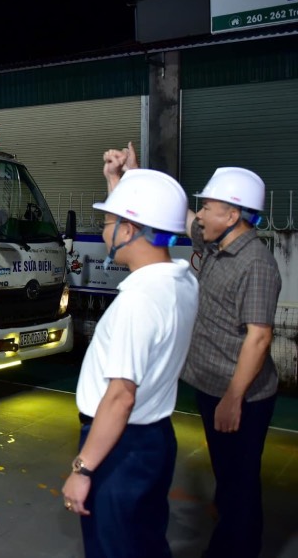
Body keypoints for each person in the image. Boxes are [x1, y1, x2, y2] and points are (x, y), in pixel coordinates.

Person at [61, 162, 198, 558]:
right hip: (153, 439)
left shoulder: (139, 301)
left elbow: (120, 396)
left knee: (115, 547)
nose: (104, 230)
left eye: (108, 221)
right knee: (145, 543)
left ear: (129, 230)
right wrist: (124, 183)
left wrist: (82, 469)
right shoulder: (181, 279)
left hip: (118, 446)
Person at [181, 166, 281, 558]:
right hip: (211, 388)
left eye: (208, 206)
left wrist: (233, 398)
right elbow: (184, 219)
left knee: (239, 489)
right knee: (227, 479)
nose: (200, 214)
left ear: (234, 215)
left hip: (240, 397)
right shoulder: (214, 245)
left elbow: (259, 338)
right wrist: (136, 176)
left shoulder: (255, 263)